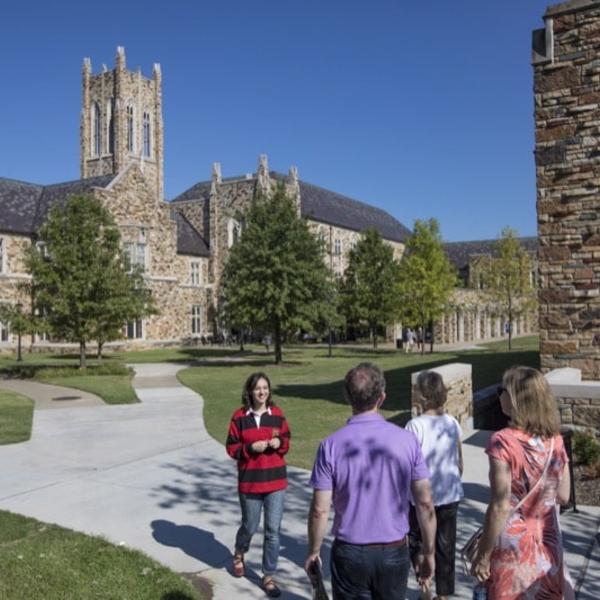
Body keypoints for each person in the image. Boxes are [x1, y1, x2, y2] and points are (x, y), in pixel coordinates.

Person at [305, 362, 437, 599]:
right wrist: (428, 552)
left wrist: (314, 551)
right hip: (394, 552)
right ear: (382, 398)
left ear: (348, 397)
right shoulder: (407, 441)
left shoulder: (330, 446)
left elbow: (319, 510)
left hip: (350, 552)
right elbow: (425, 503)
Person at [471, 366, 572, 599]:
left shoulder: (503, 441)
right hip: (548, 542)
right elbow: (564, 495)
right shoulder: (555, 440)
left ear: (517, 399)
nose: (500, 396)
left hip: (514, 546)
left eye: (503, 390)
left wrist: (484, 556)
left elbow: (500, 506)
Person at [226, 372, 291, 598]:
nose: (262, 392)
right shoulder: (239, 417)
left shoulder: (278, 414)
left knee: (273, 531)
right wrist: (249, 449)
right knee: (250, 526)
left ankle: (268, 576)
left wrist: (279, 442)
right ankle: (239, 552)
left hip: (276, 483)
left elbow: (287, 440)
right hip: (250, 483)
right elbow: (231, 448)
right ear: (250, 392)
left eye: (265, 388)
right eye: (257, 388)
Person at [405, 370, 464, 600]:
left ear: (422, 396)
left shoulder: (414, 426)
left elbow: (408, 465)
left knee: (418, 544)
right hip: (449, 495)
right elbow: (459, 461)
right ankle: (443, 595)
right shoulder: (451, 422)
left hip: (421, 498)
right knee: (445, 548)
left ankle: (426, 587)